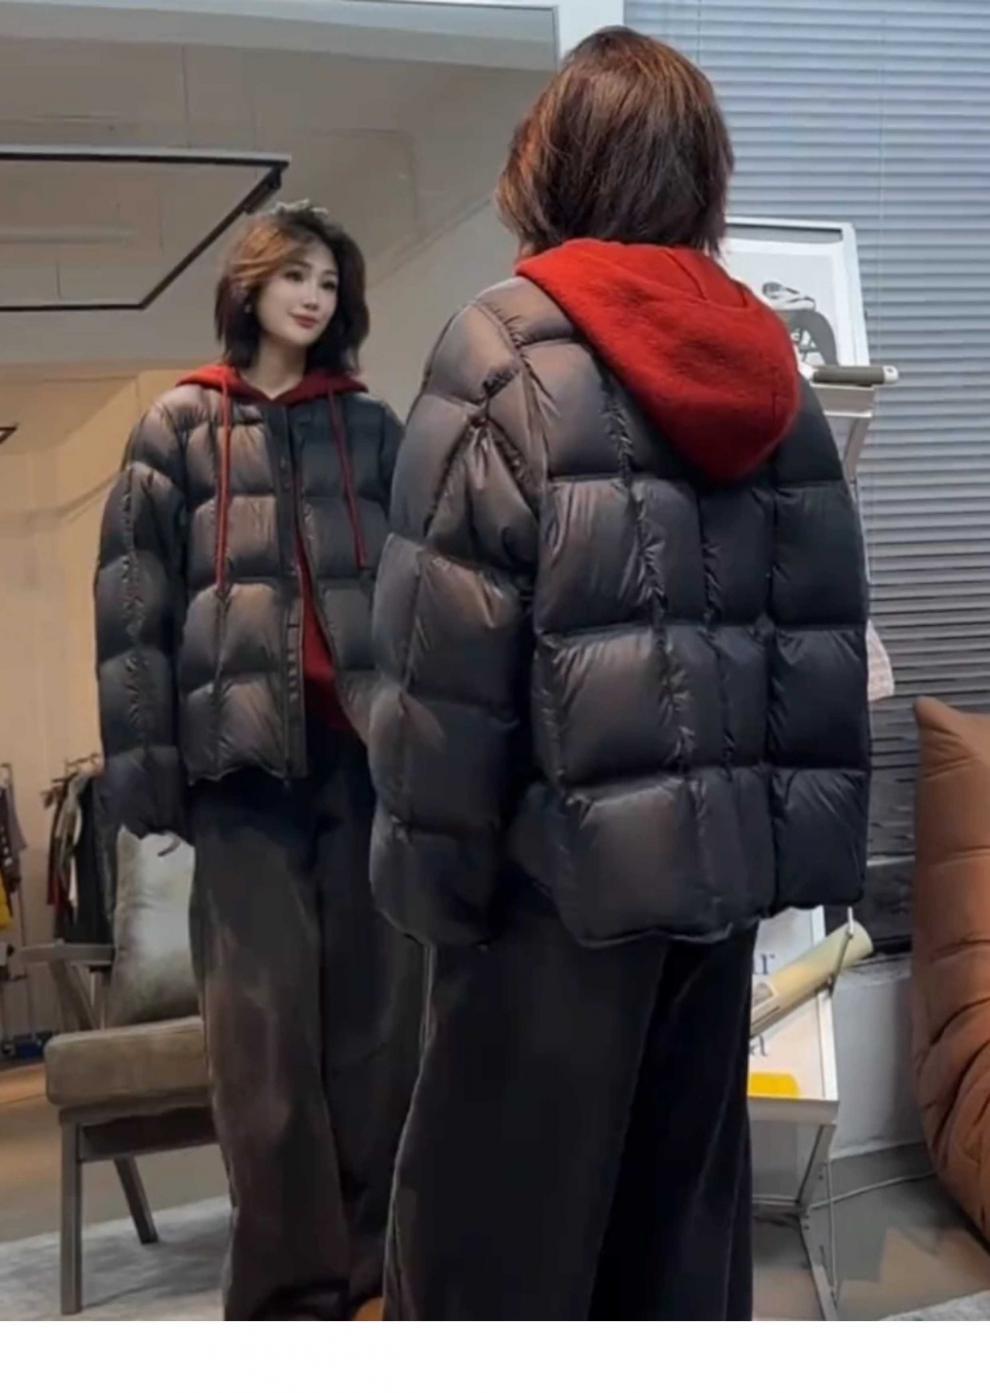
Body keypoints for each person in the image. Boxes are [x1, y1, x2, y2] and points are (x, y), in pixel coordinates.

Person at [368, 29, 870, 1320]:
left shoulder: (501, 348)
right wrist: (783, 859)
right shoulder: (770, 366)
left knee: (493, 1264)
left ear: (551, 164)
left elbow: (440, 659)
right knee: (679, 1253)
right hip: (711, 902)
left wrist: (432, 888)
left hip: (549, 900)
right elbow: (815, 636)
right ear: (701, 172)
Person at [94, 200, 421, 1320]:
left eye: (330, 280)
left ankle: (378, 1281)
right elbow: (131, 608)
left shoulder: (372, 430)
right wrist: (146, 771)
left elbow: (417, 596)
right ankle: (288, 1298)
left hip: (363, 770)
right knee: (263, 1051)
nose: (314, 295)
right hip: (240, 780)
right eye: (296, 275)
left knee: (380, 1038)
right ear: (251, 285)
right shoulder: (176, 427)